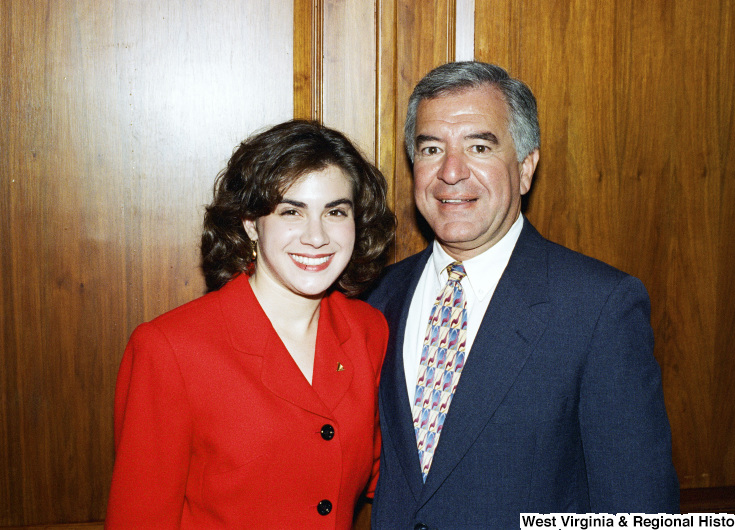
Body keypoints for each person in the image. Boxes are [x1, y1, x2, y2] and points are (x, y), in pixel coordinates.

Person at [365, 61, 679, 528]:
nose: (451, 172)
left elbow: (638, 510)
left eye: (478, 146)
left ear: (526, 168)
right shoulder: (376, 298)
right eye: (432, 148)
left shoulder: (597, 307)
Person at [105, 120, 395, 529]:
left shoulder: (368, 330)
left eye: (335, 212)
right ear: (249, 224)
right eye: (291, 211)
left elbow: (389, 472)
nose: (317, 237)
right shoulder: (171, 347)